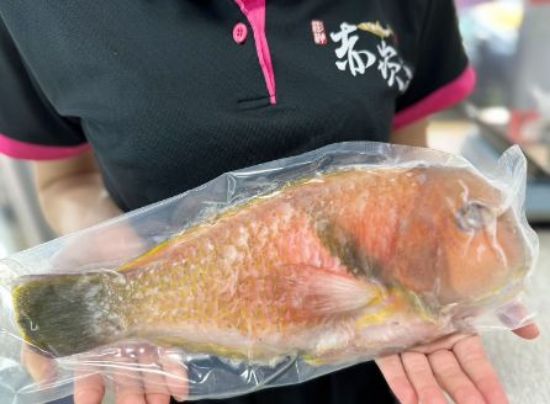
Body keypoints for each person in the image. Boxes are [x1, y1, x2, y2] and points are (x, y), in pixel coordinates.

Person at [0, 1, 539, 404]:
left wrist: (442, 286)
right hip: (174, 378)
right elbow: (61, 180)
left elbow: (407, 165)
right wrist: (105, 250)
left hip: (371, 372)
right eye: (473, 218)